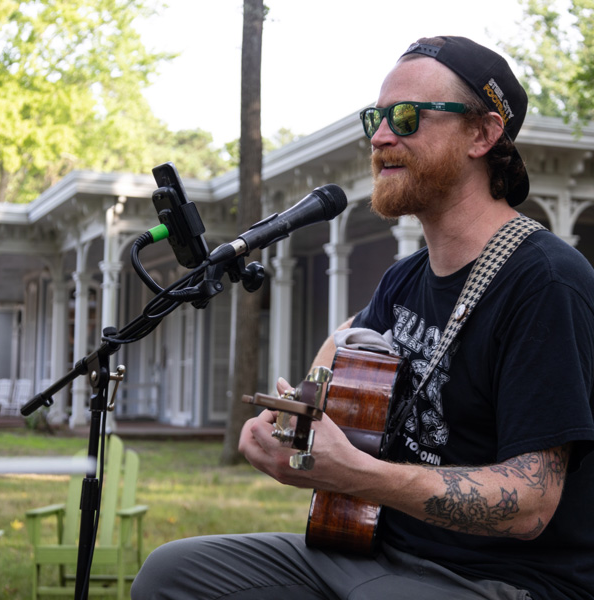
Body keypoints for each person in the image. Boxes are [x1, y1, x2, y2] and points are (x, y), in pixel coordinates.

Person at [131, 36, 594, 600]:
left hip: (504, 582)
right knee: (172, 573)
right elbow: (351, 340)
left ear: (483, 133)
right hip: (370, 548)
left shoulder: (544, 281)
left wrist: (354, 474)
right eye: (375, 118)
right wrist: (292, 422)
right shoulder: (405, 279)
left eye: (406, 117)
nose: (379, 136)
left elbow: (531, 502)